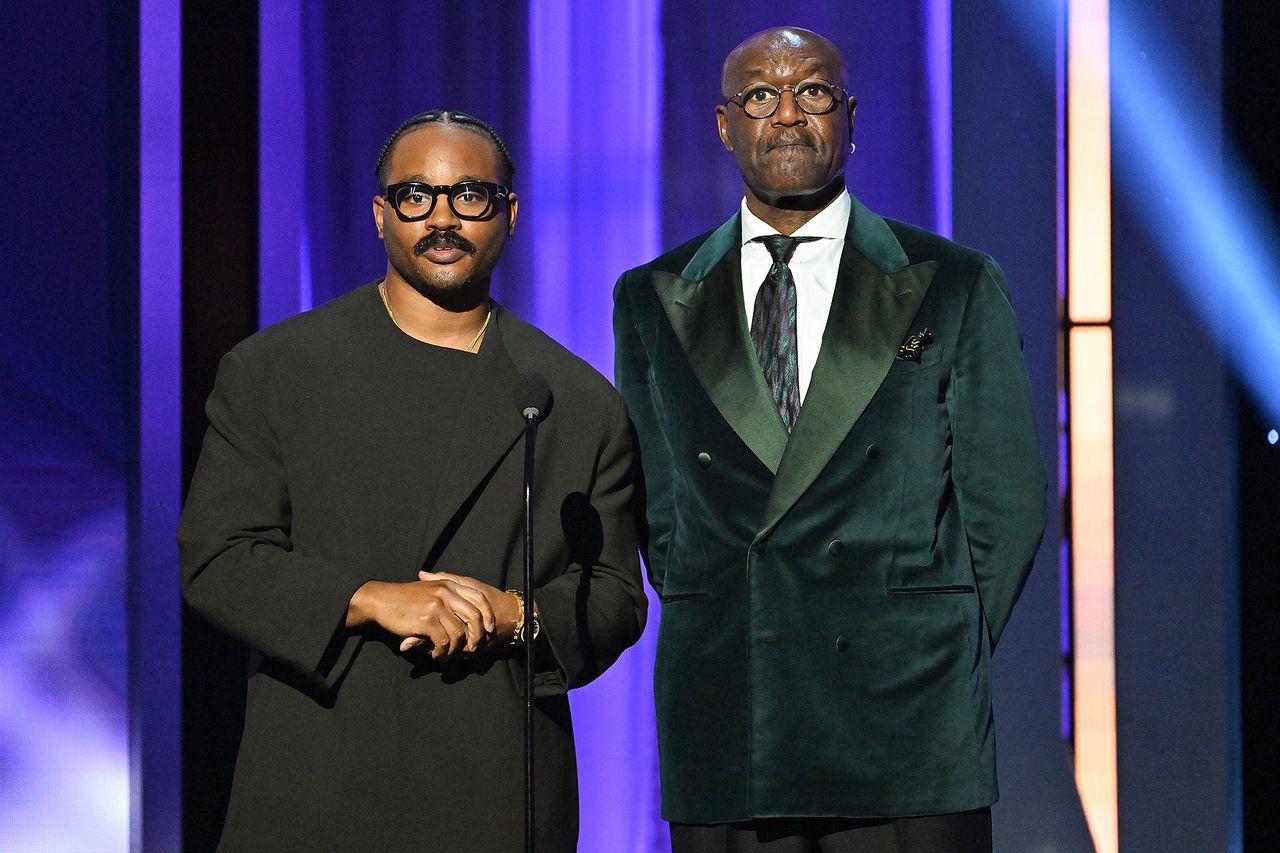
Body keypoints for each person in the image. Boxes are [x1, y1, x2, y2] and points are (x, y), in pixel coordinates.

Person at [613, 27, 1046, 853]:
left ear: (849, 117)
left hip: (908, 719)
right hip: (736, 712)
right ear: (723, 122)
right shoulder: (653, 297)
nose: (787, 115)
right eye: (760, 96)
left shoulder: (951, 282)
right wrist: (748, 618)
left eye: (811, 93)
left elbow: (1008, 503)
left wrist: (920, 634)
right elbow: (662, 511)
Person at [179, 109, 646, 852]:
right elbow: (218, 557)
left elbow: (616, 594)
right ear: (380, 213)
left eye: (470, 195)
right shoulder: (276, 371)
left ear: (509, 213)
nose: (442, 218)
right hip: (319, 766)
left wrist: (513, 612)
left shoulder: (575, 399)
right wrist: (368, 599)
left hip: (495, 775)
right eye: (416, 196)